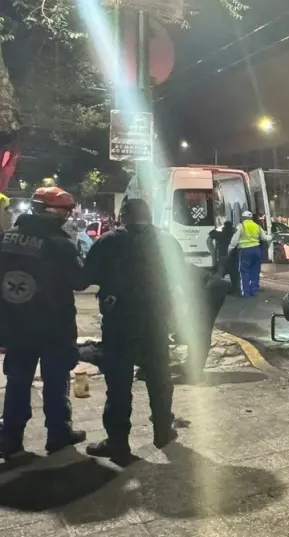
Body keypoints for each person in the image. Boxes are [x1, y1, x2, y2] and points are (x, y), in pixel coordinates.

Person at [83, 198, 187, 464]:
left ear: (124, 216)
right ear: (149, 216)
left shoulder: (109, 241)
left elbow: (83, 278)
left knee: (118, 384)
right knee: (159, 378)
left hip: (120, 323)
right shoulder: (167, 241)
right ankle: (163, 432)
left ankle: (118, 444)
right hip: (155, 322)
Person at [0, 187, 88, 457]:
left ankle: (10, 439)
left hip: (15, 325)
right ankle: (58, 434)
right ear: (52, 211)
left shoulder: (6, 238)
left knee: (17, 381)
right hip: (53, 327)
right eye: (66, 211)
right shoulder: (58, 243)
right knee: (55, 380)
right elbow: (79, 281)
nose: (68, 216)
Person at [229, 210, 271, 297]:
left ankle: (246, 292)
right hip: (256, 250)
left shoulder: (241, 226)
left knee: (244, 271)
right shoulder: (257, 226)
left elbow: (234, 241)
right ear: (251, 218)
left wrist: (230, 249)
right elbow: (265, 238)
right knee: (255, 271)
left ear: (243, 218)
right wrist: (271, 236)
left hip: (245, 251)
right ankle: (254, 291)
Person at [210, 218, 240, 294]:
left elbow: (211, 233)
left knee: (219, 274)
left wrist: (219, 228)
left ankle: (214, 290)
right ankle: (235, 289)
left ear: (224, 227)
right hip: (232, 258)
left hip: (223, 258)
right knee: (234, 275)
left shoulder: (221, 234)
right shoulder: (234, 235)